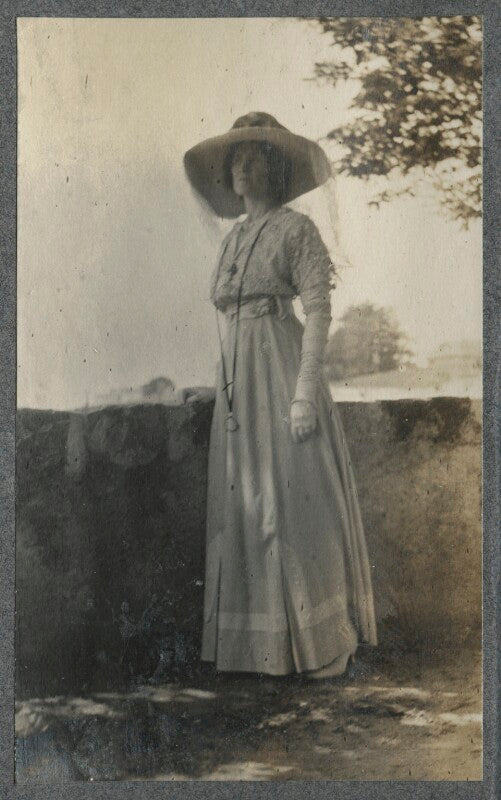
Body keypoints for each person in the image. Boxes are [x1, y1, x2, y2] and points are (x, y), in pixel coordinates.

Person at [182, 112, 377, 679]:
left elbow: (317, 311)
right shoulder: (234, 239)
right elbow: (225, 317)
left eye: (253, 157)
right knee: (247, 505)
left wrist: (304, 394)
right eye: (234, 159)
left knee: (293, 504)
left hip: (282, 368)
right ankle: (257, 648)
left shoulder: (297, 231)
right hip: (239, 381)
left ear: (274, 168)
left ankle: (319, 646)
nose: (240, 168)